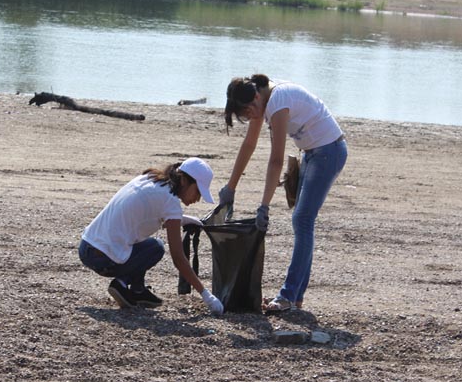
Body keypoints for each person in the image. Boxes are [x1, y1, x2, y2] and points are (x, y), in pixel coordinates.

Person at [221, 74, 348, 314]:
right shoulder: (263, 100)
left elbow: (276, 159)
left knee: (302, 220)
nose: (251, 117)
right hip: (312, 153)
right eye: (246, 115)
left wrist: (264, 206)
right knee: (303, 221)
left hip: (329, 152)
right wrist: (230, 188)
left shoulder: (278, 101)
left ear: (256, 97)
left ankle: (288, 296)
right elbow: (249, 144)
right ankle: (295, 297)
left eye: (250, 112)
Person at [79, 158, 224, 314]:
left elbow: (147, 215)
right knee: (155, 248)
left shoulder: (150, 178)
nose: (197, 198)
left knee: (149, 245)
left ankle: (137, 290)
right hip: (102, 258)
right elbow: (178, 257)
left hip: (86, 246)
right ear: (183, 180)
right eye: (197, 191)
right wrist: (206, 295)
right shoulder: (171, 202)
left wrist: (184, 220)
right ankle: (121, 283)